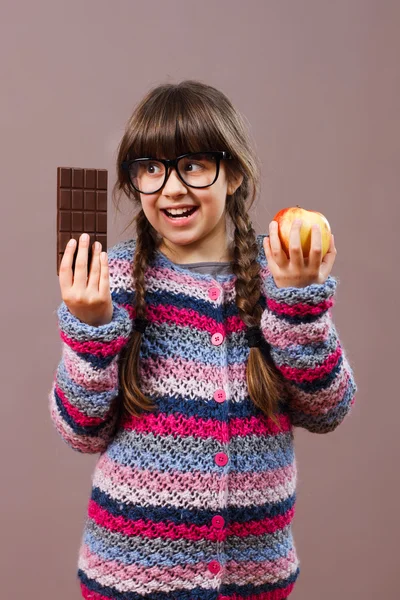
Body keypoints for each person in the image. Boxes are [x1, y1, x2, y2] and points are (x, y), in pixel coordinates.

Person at [49, 79, 357, 600]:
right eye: (150, 168)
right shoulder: (114, 279)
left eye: (192, 165)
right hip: (131, 576)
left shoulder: (281, 269)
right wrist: (93, 327)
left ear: (233, 172)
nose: (170, 188)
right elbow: (81, 431)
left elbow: (327, 409)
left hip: (255, 579)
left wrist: (300, 306)